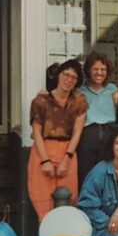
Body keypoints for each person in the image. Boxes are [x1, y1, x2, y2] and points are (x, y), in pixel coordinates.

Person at [28, 60, 87, 221]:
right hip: (43, 150)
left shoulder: (79, 101)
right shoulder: (41, 101)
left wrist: (67, 158)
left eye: (74, 77)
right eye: (66, 74)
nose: (69, 79)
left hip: (67, 150)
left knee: (67, 201)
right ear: (58, 75)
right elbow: (37, 132)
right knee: (43, 204)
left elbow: (77, 132)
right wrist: (44, 160)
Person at [77, 51, 118, 186]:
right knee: (86, 173)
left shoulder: (113, 90)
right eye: (95, 69)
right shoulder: (80, 92)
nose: (99, 73)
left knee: (107, 173)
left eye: (103, 69)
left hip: (109, 133)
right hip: (88, 135)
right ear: (88, 70)